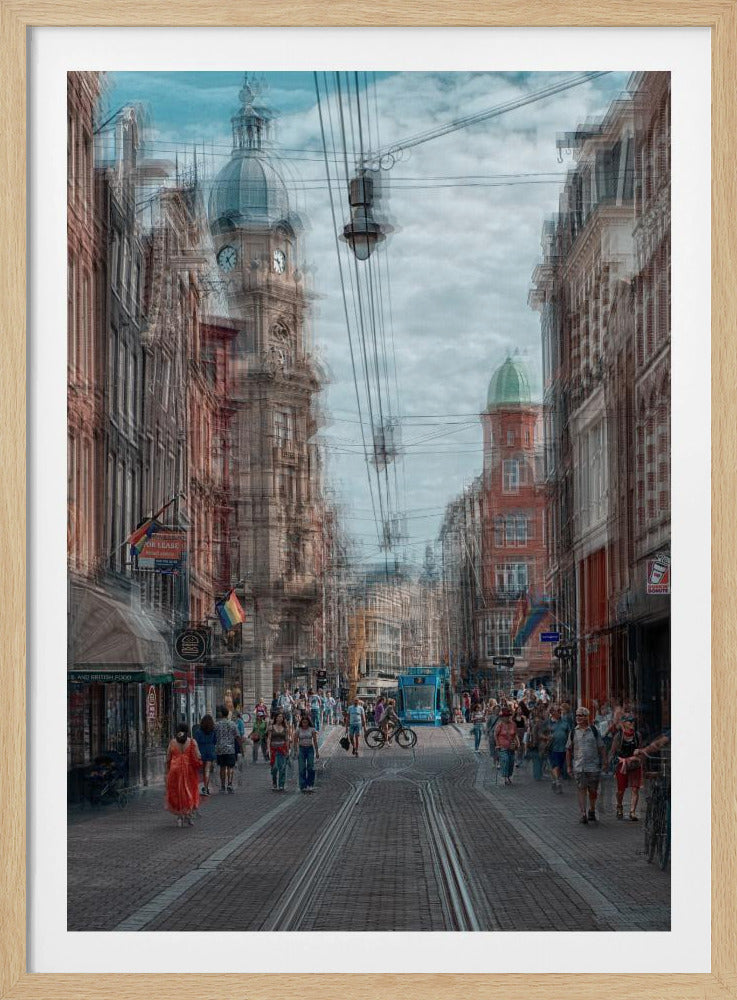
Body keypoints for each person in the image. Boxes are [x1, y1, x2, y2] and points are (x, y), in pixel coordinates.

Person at [566, 706, 607, 823]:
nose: (578, 718)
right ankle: (583, 813)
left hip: (593, 766)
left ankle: (592, 810)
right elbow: (568, 749)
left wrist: (605, 762)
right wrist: (569, 766)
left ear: (586, 717)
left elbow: (602, 747)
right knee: (581, 789)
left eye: (581, 715)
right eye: (577, 715)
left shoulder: (594, 731)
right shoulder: (573, 732)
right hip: (579, 767)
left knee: (593, 790)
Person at [165, 723, 201, 826]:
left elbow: (168, 757)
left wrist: (167, 771)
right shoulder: (192, 742)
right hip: (188, 770)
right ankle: (189, 816)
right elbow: (198, 755)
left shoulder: (172, 742)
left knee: (177, 793)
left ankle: (179, 817)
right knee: (189, 791)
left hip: (175, 770)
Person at [610, 713, 643, 821]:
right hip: (622, 765)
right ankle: (619, 806)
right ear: (624, 723)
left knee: (635, 788)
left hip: (634, 765)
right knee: (621, 790)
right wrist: (615, 762)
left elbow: (641, 750)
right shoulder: (618, 736)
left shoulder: (637, 735)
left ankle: (632, 812)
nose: (632, 723)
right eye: (630, 722)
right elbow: (613, 752)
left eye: (633, 721)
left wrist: (639, 752)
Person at [214, 706, 240, 794]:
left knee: (222, 767)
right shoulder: (232, 724)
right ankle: (230, 784)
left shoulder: (217, 724)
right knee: (230, 767)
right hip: (230, 748)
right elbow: (237, 736)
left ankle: (222, 786)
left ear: (221, 714)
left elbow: (214, 736)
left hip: (220, 748)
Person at [547, 704, 571, 793]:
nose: (560, 713)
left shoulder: (565, 722)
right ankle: (557, 782)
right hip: (552, 748)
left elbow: (570, 733)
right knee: (555, 765)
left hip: (563, 748)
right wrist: (547, 737)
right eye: (558, 711)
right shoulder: (548, 723)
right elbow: (541, 733)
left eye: (560, 711)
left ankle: (555, 780)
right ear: (552, 712)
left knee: (559, 766)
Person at [493, 705, 519, 785]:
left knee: (511, 761)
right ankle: (506, 778)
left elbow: (515, 734)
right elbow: (495, 735)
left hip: (511, 746)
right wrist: (497, 745)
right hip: (502, 746)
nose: (507, 718)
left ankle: (508, 776)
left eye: (508, 716)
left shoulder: (513, 724)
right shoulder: (499, 725)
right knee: (506, 760)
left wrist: (517, 742)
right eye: (505, 716)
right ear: (502, 717)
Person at [294, 713, 319, 792]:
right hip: (301, 749)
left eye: (306, 722)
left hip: (310, 749)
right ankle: (303, 785)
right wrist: (296, 751)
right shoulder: (298, 730)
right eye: (303, 722)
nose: (304, 724)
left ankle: (310, 784)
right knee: (302, 768)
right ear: (301, 722)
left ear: (308, 722)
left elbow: (315, 741)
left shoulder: (312, 729)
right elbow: (295, 741)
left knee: (310, 767)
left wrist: (317, 751)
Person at [266, 711, 291, 791]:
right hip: (273, 750)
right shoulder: (271, 727)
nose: (280, 718)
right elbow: (269, 738)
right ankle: (274, 782)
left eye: (281, 717)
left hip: (282, 749)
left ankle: (281, 784)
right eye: (278, 716)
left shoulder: (285, 728)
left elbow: (287, 739)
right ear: (275, 718)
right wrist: (268, 748)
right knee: (274, 767)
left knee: (282, 767)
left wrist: (288, 749)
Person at [193, 714, 216, 796]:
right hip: (210, 750)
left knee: (200, 770)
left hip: (201, 750)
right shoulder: (213, 731)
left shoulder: (198, 732)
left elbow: (195, 742)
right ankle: (206, 788)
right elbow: (215, 741)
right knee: (207, 770)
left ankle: (198, 787)